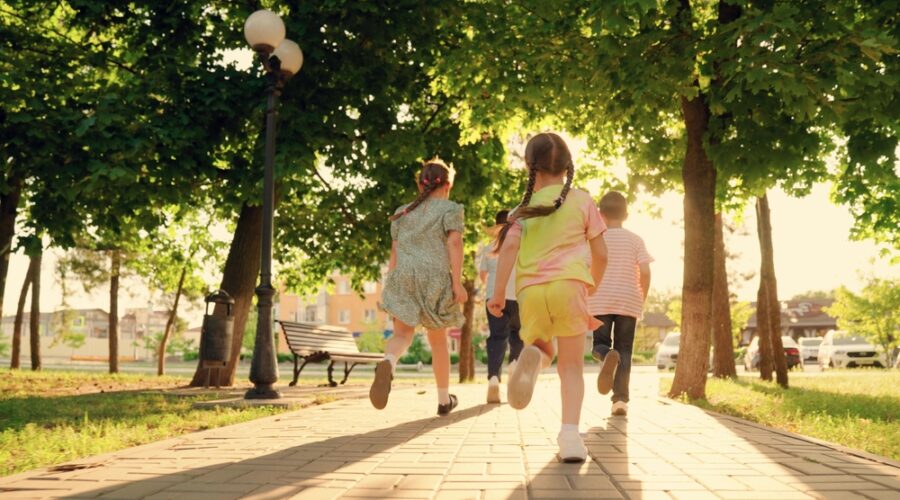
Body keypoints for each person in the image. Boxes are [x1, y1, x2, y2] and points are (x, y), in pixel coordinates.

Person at [488, 132, 608, 462]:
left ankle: (532, 361)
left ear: (530, 167)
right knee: (571, 366)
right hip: (569, 286)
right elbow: (602, 253)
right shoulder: (583, 201)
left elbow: (509, 248)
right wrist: (591, 284)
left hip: (531, 293)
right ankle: (570, 438)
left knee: (542, 346)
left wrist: (498, 295)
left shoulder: (523, 209)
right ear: (567, 166)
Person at [373, 159, 468, 416]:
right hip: (434, 279)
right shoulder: (450, 208)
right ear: (448, 185)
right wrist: (457, 282)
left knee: (402, 335)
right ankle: (443, 399)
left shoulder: (403, 212)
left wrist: (389, 288)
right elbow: (455, 243)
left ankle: (388, 362)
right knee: (438, 342)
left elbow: (395, 252)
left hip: (403, 277)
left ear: (419, 184)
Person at [587, 191, 653, 417]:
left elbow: (587, 268)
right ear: (626, 214)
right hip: (629, 300)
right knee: (624, 350)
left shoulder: (595, 239)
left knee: (599, 345)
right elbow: (645, 271)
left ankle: (606, 356)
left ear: (601, 214)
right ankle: (620, 401)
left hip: (599, 299)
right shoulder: (636, 240)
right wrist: (640, 298)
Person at [479, 210, 524, 404]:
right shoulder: (521, 246)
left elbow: (483, 276)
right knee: (519, 335)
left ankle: (494, 379)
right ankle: (514, 363)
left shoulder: (490, 248)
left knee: (497, 337)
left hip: (494, 299)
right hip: (519, 297)